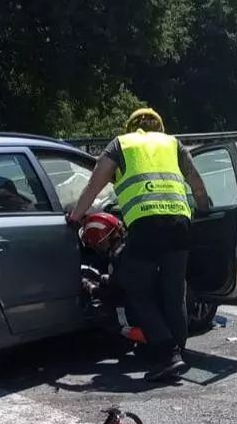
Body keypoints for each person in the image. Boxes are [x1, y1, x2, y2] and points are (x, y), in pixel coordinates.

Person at [66, 107, 212, 381]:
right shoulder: (173, 144)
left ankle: (168, 354)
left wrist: (74, 218)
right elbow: (197, 184)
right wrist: (205, 210)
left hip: (145, 227)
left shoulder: (121, 145)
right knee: (175, 291)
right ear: (160, 127)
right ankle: (177, 354)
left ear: (130, 127)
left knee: (135, 286)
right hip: (179, 224)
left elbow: (94, 185)